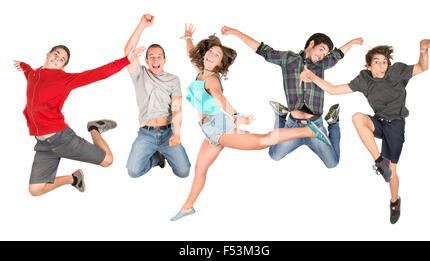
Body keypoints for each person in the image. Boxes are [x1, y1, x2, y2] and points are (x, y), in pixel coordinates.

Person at [170, 24, 332, 221]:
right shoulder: (200, 72)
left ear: (221, 63)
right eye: (210, 52)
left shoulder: (211, 79)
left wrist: (237, 116)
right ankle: (188, 207)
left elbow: (220, 98)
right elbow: (190, 55)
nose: (211, 56)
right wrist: (188, 38)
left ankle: (308, 132)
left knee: (261, 141)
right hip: (209, 131)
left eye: (217, 55)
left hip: (219, 128)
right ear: (204, 54)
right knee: (200, 170)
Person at [301, 39, 430, 224]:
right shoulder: (364, 79)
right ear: (368, 66)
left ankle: (394, 201)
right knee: (357, 117)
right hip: (379, 122)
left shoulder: (397, 72)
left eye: (384, 61)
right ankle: (379, 161)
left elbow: (422, 67)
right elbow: (333, 90)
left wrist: (423, 49)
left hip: (396, 125)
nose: (382, 66)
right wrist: (311, 75)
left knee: (392, 173)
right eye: (377, 62)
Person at [221, 26, 363, 168]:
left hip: (315, 126)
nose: (322, 56)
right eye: (321, 50)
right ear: (311, 44)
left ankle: (333, 122)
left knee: (333, 163)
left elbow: (338, 54)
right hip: (293, 125)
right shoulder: (289, 59)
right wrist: (235, 32)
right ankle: (281, 117)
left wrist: (352, 42)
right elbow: (262, 50)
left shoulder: (321, 64)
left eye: (325, 54)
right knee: (274, 155)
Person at [13, 44, 144, 196]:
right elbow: (28, 71)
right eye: (56, 54)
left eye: (62, 59)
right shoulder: (33, 75)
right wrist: (23, 65)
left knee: (108, 160)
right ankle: (73, 179)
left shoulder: (64, 79)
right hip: (43, 145)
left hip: (62, 139)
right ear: (48, 54)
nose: (57, 59)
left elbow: (97, 74)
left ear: (62, 66)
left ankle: (94, 129)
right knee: (35, 190)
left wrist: (125, 61)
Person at [124, 14, 191, 179]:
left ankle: (165, 152)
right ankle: (156, 158)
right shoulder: (140, 74)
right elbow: (128, 53)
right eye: (151, 57)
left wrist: (177, 134)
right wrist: (141, 25)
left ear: (164, 59)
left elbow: (177, 108)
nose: (155, 60)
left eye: (159, 56)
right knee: (133, 171)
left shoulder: (173, 80)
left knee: (183, 172)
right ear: (146, 60)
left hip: (168, 132)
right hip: (146, 134)